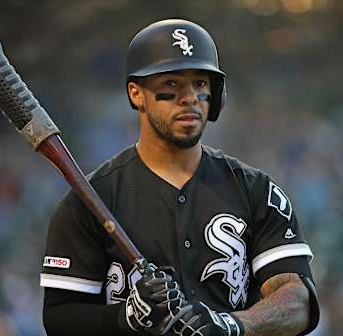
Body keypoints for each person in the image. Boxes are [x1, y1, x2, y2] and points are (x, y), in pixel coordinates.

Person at [40, 18, 320, 336]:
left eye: (200, 84)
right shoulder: (90, 200)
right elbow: (60, 320)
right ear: (136, 94)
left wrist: (234, 325)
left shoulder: (256, 190)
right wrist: (126, 317)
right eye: (171, 84)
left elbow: (298, 301)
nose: (189, 97)